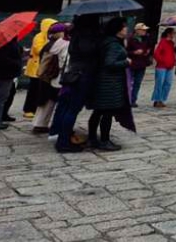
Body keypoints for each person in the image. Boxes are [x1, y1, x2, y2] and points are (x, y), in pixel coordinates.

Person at [54, 15, 100, 153]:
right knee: (72, 110)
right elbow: (89, 52)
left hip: (73, 74)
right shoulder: (85, 37)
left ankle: (62, 138)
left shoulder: (75, 35)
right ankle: (63, 142)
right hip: (82, 75)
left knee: (68, 108)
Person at [88, 17, 131, 151]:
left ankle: (92, 139)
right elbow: (109, 63)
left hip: (103, 81)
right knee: (107, 113)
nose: (126, 29)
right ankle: (104, 140)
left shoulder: (108, 41)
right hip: (109, 83)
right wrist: (126, 62)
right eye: (124, 27)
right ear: (118, 29)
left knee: (98, 112)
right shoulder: (113, 44)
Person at [32, 22, 69, 134]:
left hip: (46, 76)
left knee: (46, 100)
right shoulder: (58, 44)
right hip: (52, 76)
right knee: (49, 100)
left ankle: (39, 123)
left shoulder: (49, 44)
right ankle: (41, 124)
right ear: (58, 33)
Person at [23, 18, 57, 120]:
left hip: (43, 67)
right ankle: (28, 109)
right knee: (33, 90)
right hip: (35, 67)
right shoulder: (39, 36)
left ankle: (36, 107)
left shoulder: (49, 37)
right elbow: (39, 50)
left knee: (40, 90)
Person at [127, 23, 152, 108]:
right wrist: (134, 52)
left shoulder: (146, 38)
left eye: (145, 30)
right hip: (132, 64)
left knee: (137, 83)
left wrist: (148, 52)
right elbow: (125, 52)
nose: (145, 31)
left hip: (142, 64)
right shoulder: (130, 39)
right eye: (143, 30)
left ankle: (133, 100)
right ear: (137, 30)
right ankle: (127, 100)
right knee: (128, 83)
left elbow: (149, 47)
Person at [151, 28, 176, 108]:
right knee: (159, 83)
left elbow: (172, 53)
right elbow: (156, 54)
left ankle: (162, 99)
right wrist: (163, 61)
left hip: (170, 66)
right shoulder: (162, 42)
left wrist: (174, 60)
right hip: (161, 67)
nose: (174, 35)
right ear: (169, 34)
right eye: (173, 33)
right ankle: (157, 100)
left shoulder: (171, 43)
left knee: (168, 84)